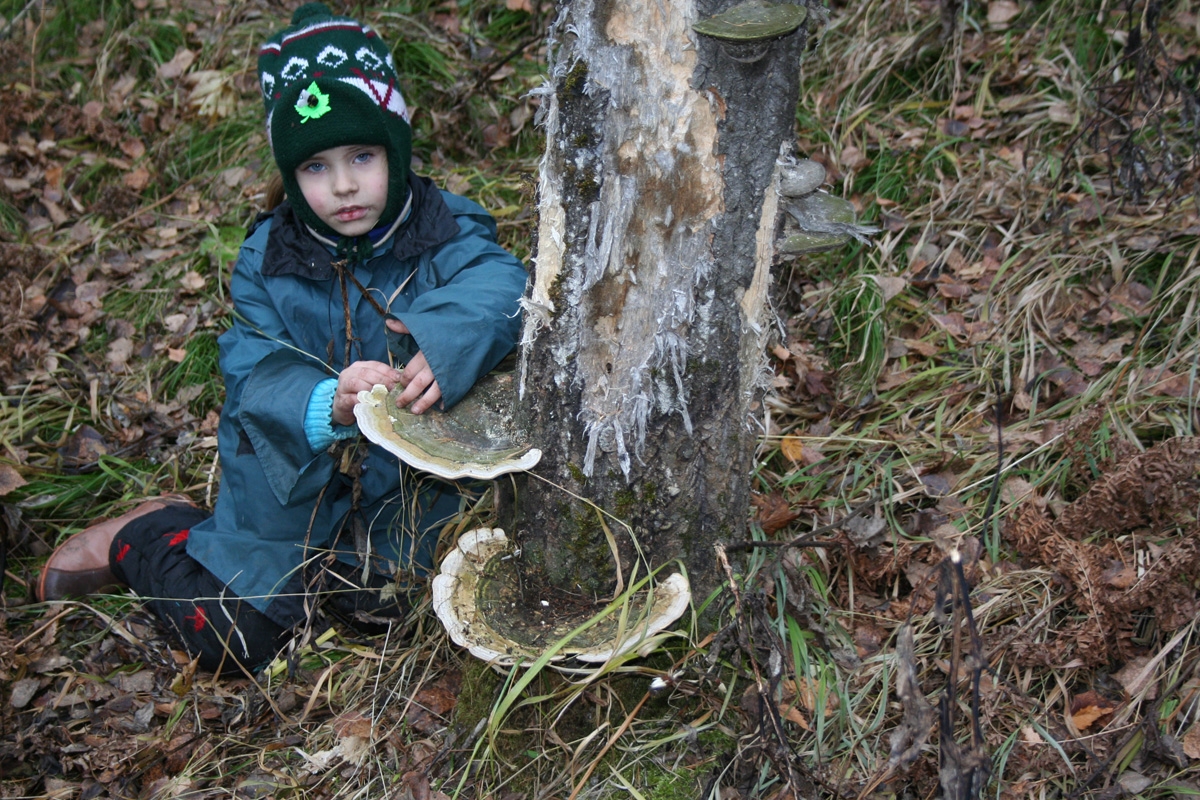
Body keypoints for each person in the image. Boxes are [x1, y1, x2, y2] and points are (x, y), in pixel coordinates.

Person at [36, 3, 528, 675]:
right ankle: (146, 534)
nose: (345, 185)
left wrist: (447, 343)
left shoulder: (443, 232)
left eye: (363, 155)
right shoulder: (269, 261)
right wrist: (330, 401)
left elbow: (501, 284)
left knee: (382, 606)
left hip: (406, 500)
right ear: (290, 176)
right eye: (316, 167)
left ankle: (341, 568)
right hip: (287, 488)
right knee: (235, 639)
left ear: (398, 147)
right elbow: (251, 369)